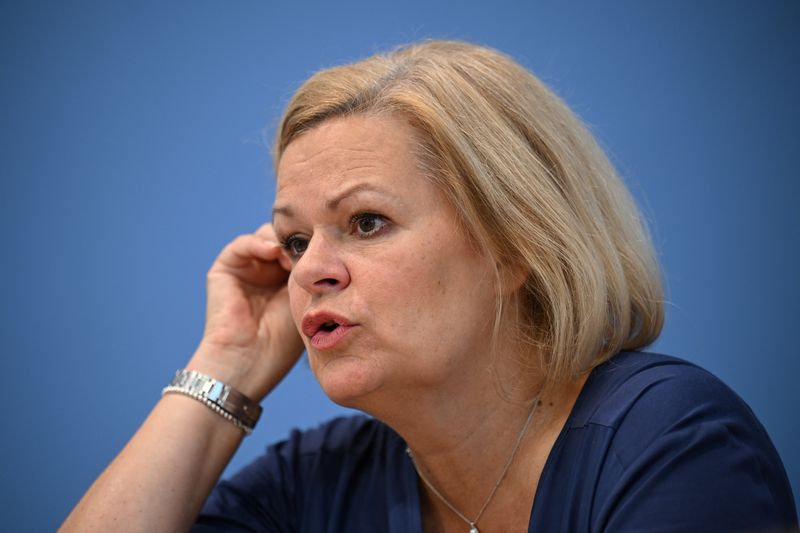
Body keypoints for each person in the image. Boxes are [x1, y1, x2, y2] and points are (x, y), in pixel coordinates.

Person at [61, 40, 797, 532]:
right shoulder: (314, 483)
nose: (310, 267)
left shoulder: (668, 439)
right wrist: (228, 362)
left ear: (516, 241)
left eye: (366, 221)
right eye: (294, 239)